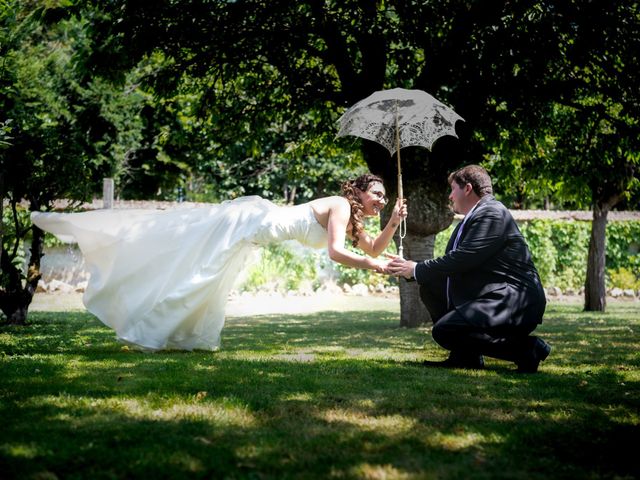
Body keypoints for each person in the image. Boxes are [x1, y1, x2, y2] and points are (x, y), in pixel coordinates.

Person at [31, 174, 406, 351]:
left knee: (208, 285)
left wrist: (391, 224)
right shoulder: (341, 207)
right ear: (357, 192)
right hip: (248, 223)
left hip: (251, 236)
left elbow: (372, 247)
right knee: (192, 265)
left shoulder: (354, 220)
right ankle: (148, 331)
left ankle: (175, 336)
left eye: (384, 196)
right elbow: (337, 254)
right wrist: (372, 267)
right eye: (377, 194)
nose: (381, 199)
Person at [386, 165, 550, 373]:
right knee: (431, 285)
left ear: (468, 188)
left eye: (453, 189)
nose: (450, 196)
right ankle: (465, 357)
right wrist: (407, 270)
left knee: (444, 331)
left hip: (515, 301)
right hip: (493, 295)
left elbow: (463, 259)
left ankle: (527, 349)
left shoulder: (492, 213)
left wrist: (417, 268)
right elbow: (456, 264)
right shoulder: (476, 216)